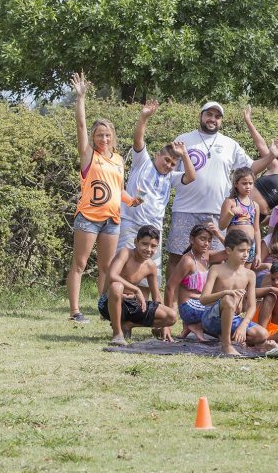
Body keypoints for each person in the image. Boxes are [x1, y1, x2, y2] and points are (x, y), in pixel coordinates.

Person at [167, 102, 277, 278]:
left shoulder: (230, 144)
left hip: (218, 213)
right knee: (177, 257)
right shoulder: (184, 139)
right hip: (185, 209)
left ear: (221, 121)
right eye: (209, 114)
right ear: (201, 116)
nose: (213, 119)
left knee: (217, 259)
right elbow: (168, 169)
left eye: (217, 117)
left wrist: (271, 155)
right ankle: (171, 303)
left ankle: (207, 300)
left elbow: (250, 168)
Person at [67, 72, 142, 324]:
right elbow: (80, 126)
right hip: (88, 216)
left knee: (107, 268)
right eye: (99, 135)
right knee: (79, 264)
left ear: (113, 136)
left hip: (112, 219)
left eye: (107, 134)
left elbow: (115, 189)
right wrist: (81, 98)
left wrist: (131, 200)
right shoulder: (89, 155)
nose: (104, 138)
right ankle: (75, 311)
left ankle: (103, 307)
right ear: (94, 138)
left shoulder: (119, 159)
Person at [118, 100, 196, 277]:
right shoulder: (143, 162)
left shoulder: (171, 177)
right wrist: (144, 117)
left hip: (154, 229)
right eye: (166, 160)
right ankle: (115, 301)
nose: (169, 165)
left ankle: (144, 303)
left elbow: (191, 177)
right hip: (131, 224)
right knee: (123, 265)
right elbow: (138, 140)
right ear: (157, 155)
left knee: (149, 272)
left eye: (173, 164)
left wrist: (184, 156)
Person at [98, 225, 177, 346]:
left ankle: (128, 325)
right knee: (117, 287)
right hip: (109, 301)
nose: (148, 249)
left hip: (132, 304)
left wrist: (164, 326)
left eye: (153, 246)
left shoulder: (151, 266)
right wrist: (137, 290)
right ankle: (117, 333)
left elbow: (156, 297)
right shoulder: (126, 253)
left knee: (171, 316)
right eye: (144, 244)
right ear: (136, 242)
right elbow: (112, 275)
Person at [198, 229, 269, 356]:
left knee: (262, 334)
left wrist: (243, 325)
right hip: (211, 319)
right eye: (241, 251)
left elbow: (252, 306)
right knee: (228, 299)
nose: (246, 255)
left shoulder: (250, 274)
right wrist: (225, 292)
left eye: (248, 251)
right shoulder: (216, 269)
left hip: (234, 318)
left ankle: (225, 336)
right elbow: (203, 299)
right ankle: (227, 345)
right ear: (229, 250)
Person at [165, 223, 215, 339]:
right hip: (189, 307)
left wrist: (217, 233)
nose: (206, 243)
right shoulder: (188, 261)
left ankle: (193, 326)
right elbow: (169, 287)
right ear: (192, 239)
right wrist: (167, 324)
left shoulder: (206, 257)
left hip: (201, 304)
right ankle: (194, 324)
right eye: (202, 239)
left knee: (225, 312)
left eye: (209, 240)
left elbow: (229, 252)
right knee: (222, 313)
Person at [219, 167, 260, 265]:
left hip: (250, 246)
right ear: (236, 184)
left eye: (250, 183)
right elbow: (221, 226)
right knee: (231, 274)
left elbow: (257, 230)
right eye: (244, 183)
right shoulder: (230, 202)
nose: (248, 186)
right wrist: (231, 212)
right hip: (234, 245)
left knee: (245, 276)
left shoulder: (255, 205)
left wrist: (258, 253)